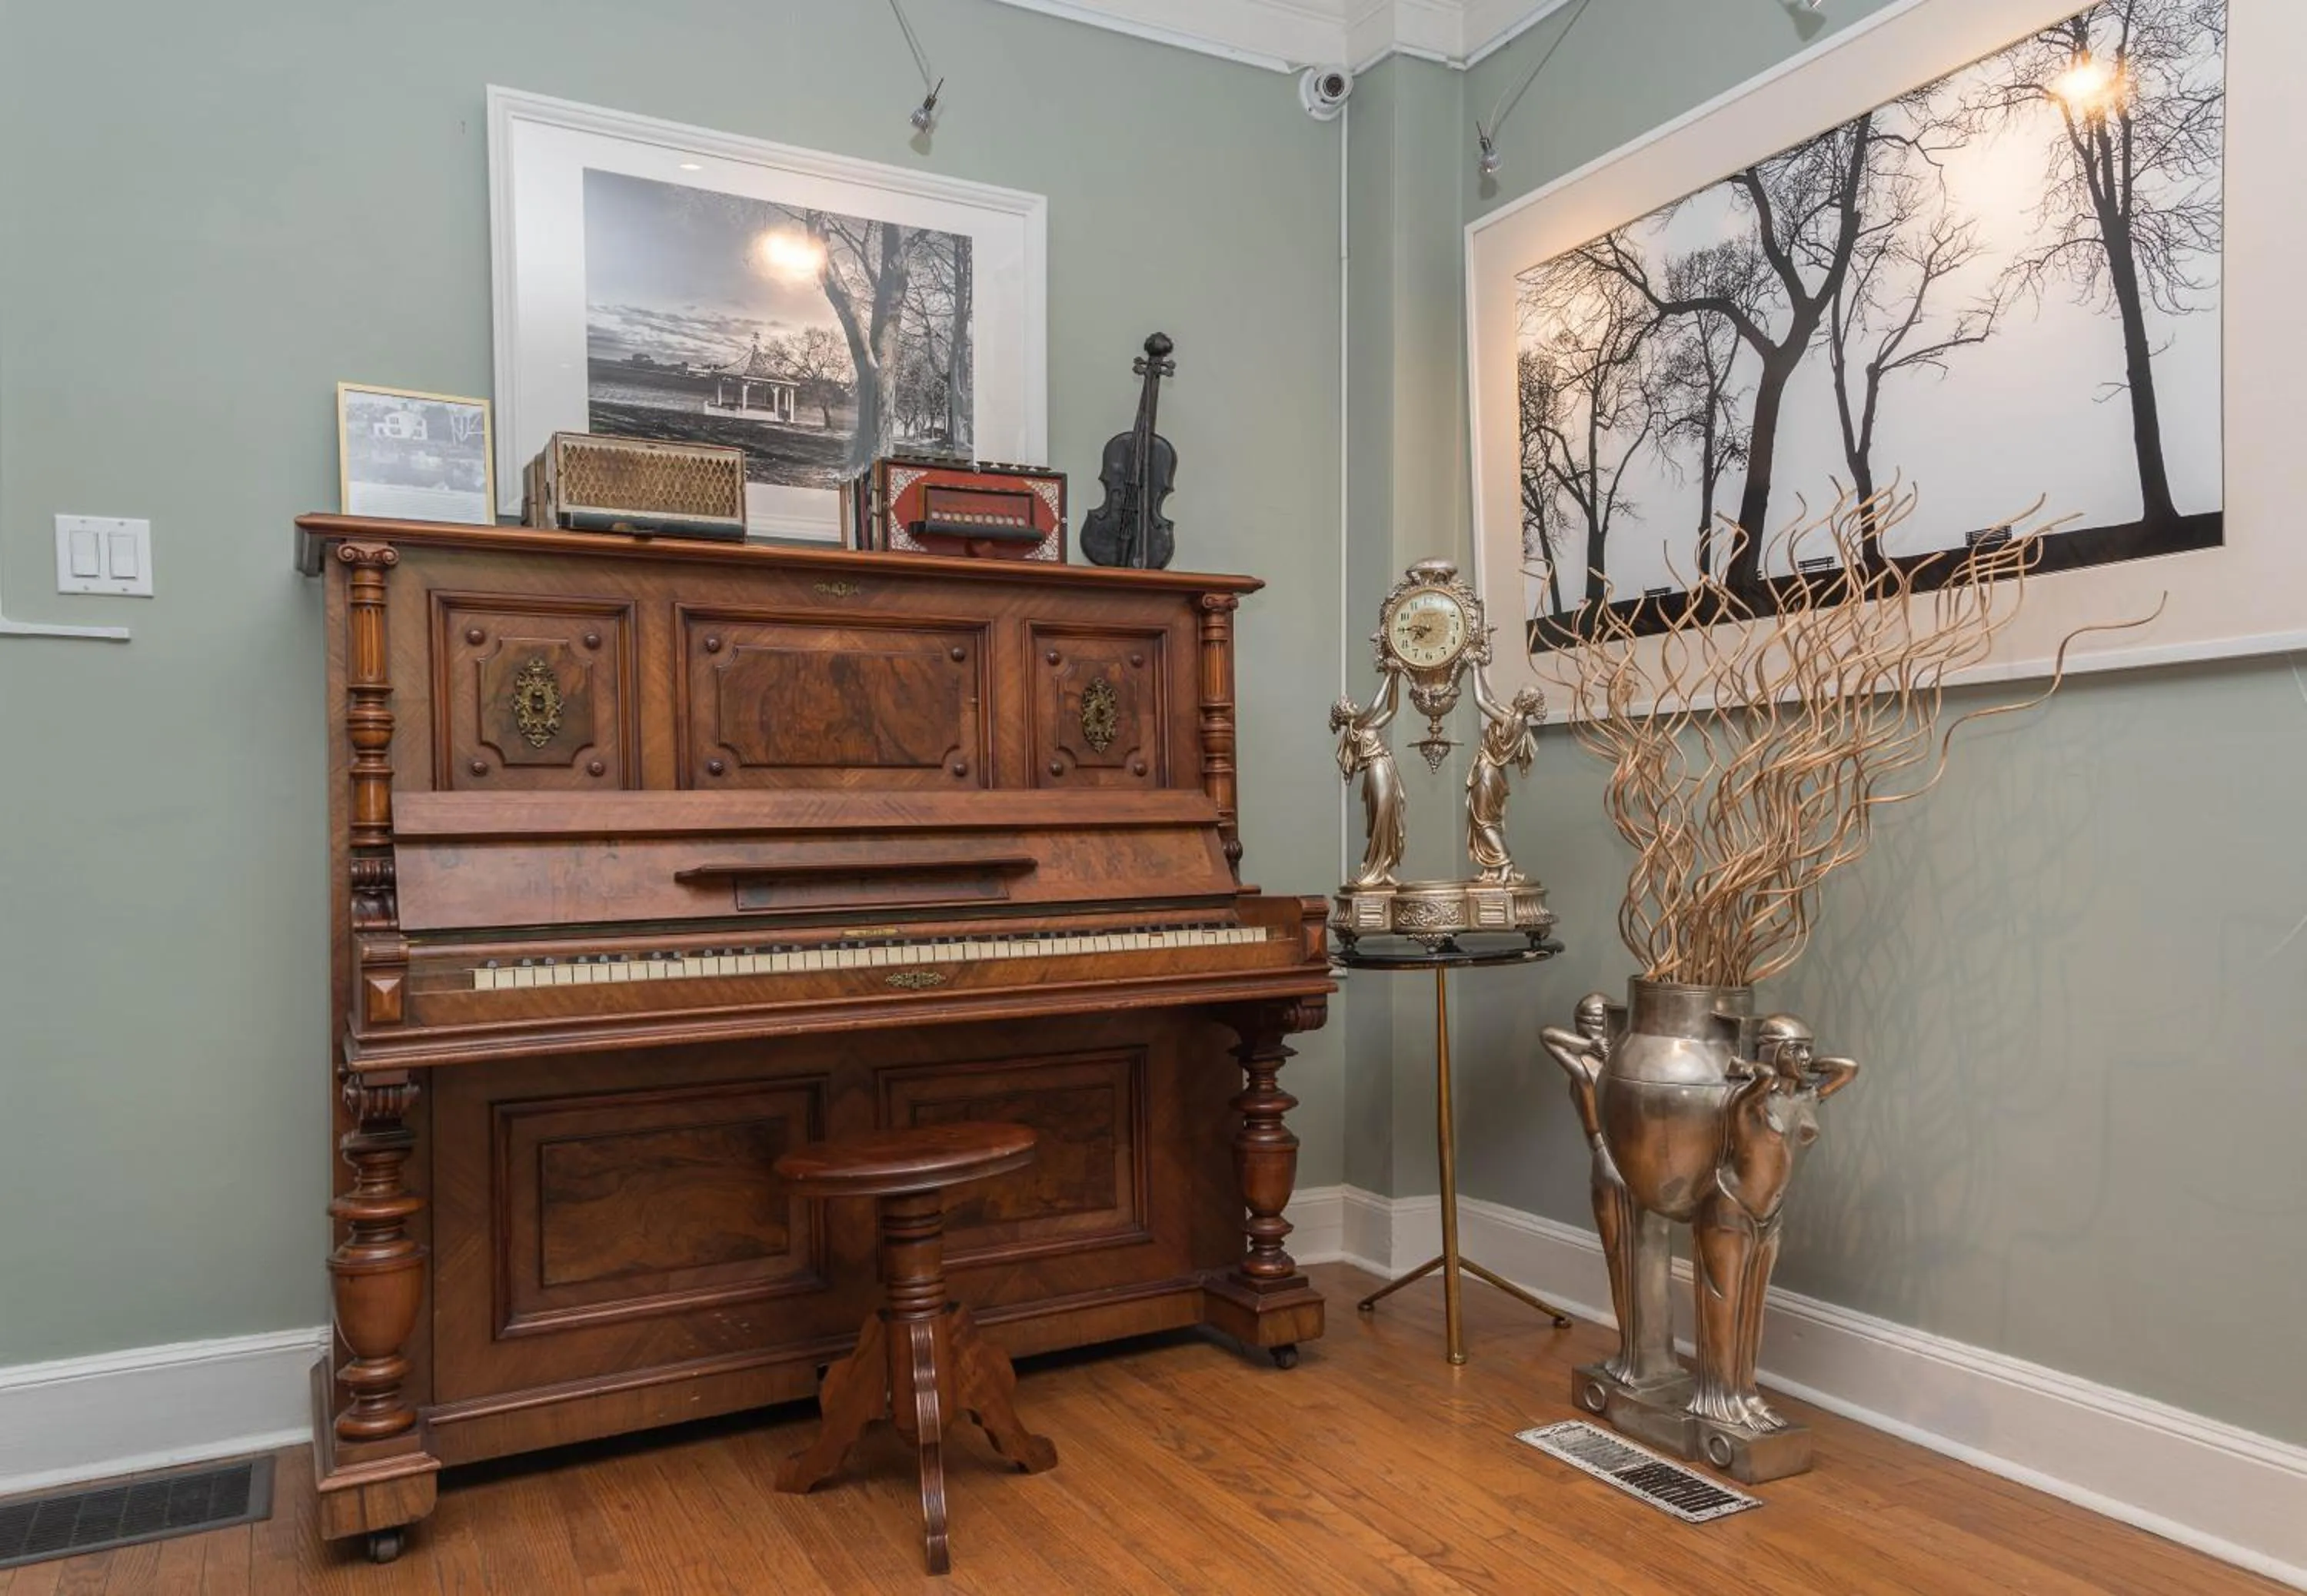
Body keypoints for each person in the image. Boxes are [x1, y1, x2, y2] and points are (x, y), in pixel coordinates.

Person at [1330, 673, 1406, 888]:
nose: (1355, 705)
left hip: (1386, 767)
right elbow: (1375, 706)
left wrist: (1395, 681)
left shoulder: (1367, 726)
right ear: (1345, 716)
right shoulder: (1356, 727)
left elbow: (1391, 710)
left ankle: (1383, 867)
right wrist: (1388, 676)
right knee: (1382, 814)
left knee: (1390, 815)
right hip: (1376, 769)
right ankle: (1374, 868)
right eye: (1350, 705)